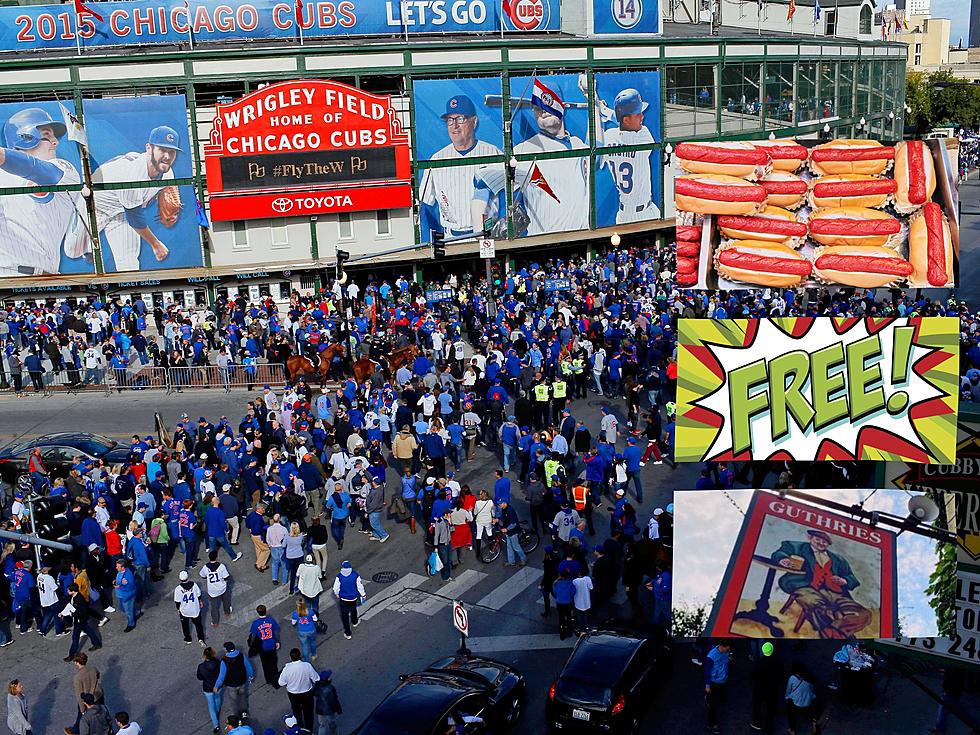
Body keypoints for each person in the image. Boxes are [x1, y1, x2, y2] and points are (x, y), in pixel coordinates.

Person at [772, 529, 872, 639]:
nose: (821, 543)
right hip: (804, 586)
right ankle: (837, 636)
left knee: (865, 614)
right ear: (810, 538)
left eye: (824, 542)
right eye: (818, 539)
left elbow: (851, 578)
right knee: (817, 606)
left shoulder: (838, 559)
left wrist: (845, 581)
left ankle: (836, 632)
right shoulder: (798, 547)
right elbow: (780, 553)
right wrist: (783, 559)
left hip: (833, 591)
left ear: (828, 544)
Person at [278, 648, 320, 732]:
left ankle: (300, 729)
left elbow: (281, 683)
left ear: (290, 658)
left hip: (293, 694)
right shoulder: (307, 666)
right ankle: (309, 730)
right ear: (300, 656)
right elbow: (316, 678)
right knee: (308, 713)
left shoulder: (287, 669)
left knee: (297, 712)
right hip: (307, 693)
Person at [214, 641, 254, 727]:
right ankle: (244, 713)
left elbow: (221, 676)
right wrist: (251, 676)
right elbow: (249, 667)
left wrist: (216, 686)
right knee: (243, 697)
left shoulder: (224, 661)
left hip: (231, 685)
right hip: (242, 681)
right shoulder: (241, 656)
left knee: (234, 701)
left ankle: (236, 717)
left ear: (226, 650)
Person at [62, 584, 103, 661]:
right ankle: (97, 643)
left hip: (79, 620)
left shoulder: (79, 600)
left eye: (68, 590)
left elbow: (81, 612)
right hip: (81, 620)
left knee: (75, 637)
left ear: (73, 591)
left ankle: (72, 654)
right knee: (89, 631)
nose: (67, 591)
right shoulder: (75, 597)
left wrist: (71, 614)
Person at [750, 641, 783, 734]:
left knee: (757, 705)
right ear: (772, 650)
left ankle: (757, 722)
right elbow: (781, 675)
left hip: (760, 689)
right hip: (772, 690)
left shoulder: (758, 663)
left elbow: (753, 676)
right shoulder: (778, 662)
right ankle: (769, 728)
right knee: (770, 709)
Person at [248, 605, 281, 688]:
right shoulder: (271, 620)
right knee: (273, 663)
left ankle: (268, 680)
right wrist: (277, 641)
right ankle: (276, 679)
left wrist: (252, 645)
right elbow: (276, 631)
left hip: (262, 647)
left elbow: (253, 635)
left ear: (258, 612)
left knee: (265, 665)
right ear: (266, 611)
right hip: (272, 645)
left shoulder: (255, 623)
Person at [332, 561, 366, 640]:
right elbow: (360, 586)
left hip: (343, 599)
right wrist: (363, 594)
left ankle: (348, 633)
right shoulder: (355, 575)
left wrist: (337, 594)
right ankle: (355, 622)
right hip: (353, 598)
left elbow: (335, 588)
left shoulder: (339, 576)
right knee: (353, 610)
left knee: (345, 616)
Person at [704, 641, 732, 734]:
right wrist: (707, 686)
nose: (729, 649)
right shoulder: (711, 656)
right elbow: (707, 672)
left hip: (723, 681)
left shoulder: (726, 651)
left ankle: (709, 698)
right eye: (728, 648)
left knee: (720, 699)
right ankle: (711, 724)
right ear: (723, 646)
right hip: (714, 683)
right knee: (713, 707)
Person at [201, 550, 233, 628]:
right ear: (216, 557)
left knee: (214, 606)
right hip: (222, 588)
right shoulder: (221, 566)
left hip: (212, 590)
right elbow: (226, 577)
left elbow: (202, 575)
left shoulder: (205, 567)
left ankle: (215, 622)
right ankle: (227, 612)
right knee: (225, 600)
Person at [174, 570, 206, 646]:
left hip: (185, 611)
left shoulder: (178, 589)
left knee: (185, 626)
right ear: (187, 577)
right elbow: (199, 595)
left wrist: (178, 609)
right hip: (195, 609)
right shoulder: (194, 585)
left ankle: (188, 639)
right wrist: (201, 601)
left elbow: (177, 602)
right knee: (198, 625)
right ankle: (201, 639)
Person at [785, 663, 818, 735]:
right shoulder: (809, 677)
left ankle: (792, 730)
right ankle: (814, 722)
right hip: (808, 702)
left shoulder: (792, 678)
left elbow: (788, 691)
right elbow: (812, 690)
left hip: (797, 704)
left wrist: (786, 698)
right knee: (811, 711)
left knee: (790, 712)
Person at [197, 646, 224, 734]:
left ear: (205, 656)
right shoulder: (218, 663)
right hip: (218, 686)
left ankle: (216, 724)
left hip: (207, 688)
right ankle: (216, 715)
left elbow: (199, 677)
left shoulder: (201, 667)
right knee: (218, 699)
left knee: (211, 705)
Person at [496, 499, 526, 567]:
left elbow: (514, 523)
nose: (499, 505)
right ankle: (511, 561)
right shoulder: (504, 509)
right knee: (509, 547)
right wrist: (497, 520)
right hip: (508, 532)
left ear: (505, 503)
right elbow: (504, 519)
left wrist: (506, 529)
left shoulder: (510, 510)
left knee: (516, 547)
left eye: (500, 503)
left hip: (513, 531)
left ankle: (523, 559)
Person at [313, 669, 342, 735]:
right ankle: (335, 732)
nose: (330, 678)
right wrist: (339, 709)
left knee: (321, 725)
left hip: (320, 710)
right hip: (329, 710)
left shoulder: (317, 687)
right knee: (331, 722)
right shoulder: (331, 688)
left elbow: (313, 693)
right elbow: (335, 700)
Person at [291, 598, 319, 663]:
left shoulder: (295, 614)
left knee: (305, 645)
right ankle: (314, 654)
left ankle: (306, 660)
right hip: (311, 629)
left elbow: (293, 623)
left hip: (302, 631)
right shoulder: (310, 611)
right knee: (313, 642)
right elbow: (315, 619)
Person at [552, 569, 576, 640]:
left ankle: (562, 634)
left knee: (561, 618)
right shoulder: (570, 583)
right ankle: (569, 633)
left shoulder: (556, 584)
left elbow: (554, 593)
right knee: (568, 617)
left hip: (560, 603)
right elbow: (573, 592)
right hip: (568, 603)